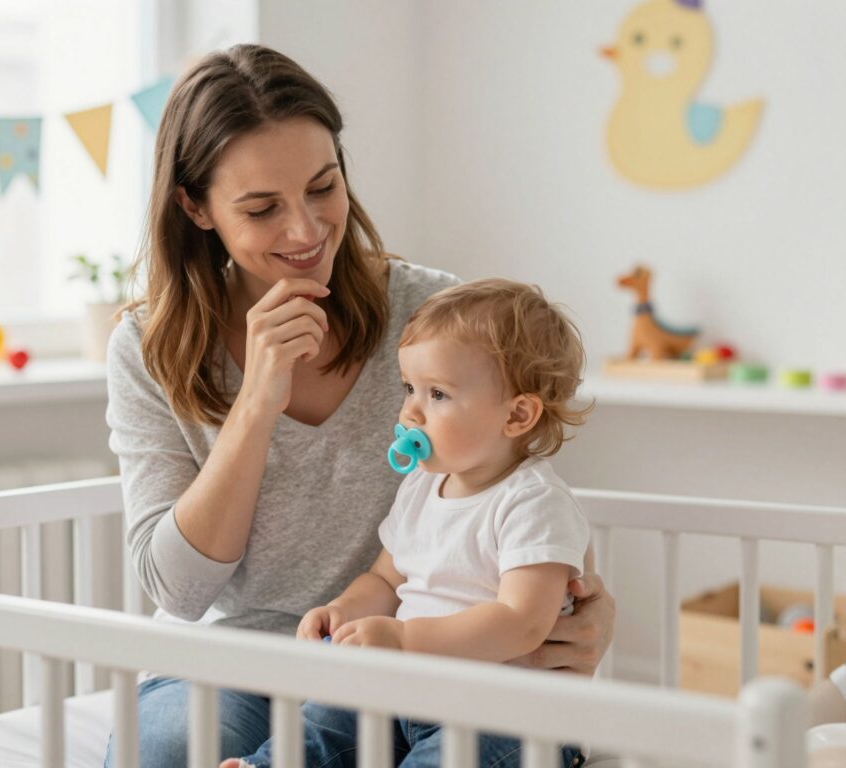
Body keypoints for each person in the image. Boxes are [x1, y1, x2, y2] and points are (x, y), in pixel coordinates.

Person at [104, 43, 615, 767]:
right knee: (169, 753)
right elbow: (180, 593)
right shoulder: (146, 346)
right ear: (195, 206)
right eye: (261, 208)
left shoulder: (438, 318)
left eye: (323, 187)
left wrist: (587, 613)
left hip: (420, 656)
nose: (307, 231)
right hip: (236, 660)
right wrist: (256, 401)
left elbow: (524, 496)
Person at [223, 279, 592, 768]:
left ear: (517, 414)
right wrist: (344, 609)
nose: (411, 411)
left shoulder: (533, 503)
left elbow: (522, 623)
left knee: (458, 753)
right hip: (409, 690)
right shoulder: (421, 487)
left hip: (509, 713)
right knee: (330, 716)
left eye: (437, 394)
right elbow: (385, 578)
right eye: (409, 388)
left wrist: (403, 640)